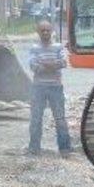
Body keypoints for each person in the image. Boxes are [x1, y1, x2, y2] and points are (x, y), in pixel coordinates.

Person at [27, 20, 72, 156]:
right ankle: (34, 148)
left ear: (52, 31)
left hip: (55, 88)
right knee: (36, 119)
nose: (45, 32)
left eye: (47, 30)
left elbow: (63, 62)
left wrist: (44, 64)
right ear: (38, 32)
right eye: (42, 30)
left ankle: (64, 150)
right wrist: (53, 64)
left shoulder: (58, 47)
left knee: (60, 119)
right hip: (38, 88)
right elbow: (34, 67)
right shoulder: (34, 48)